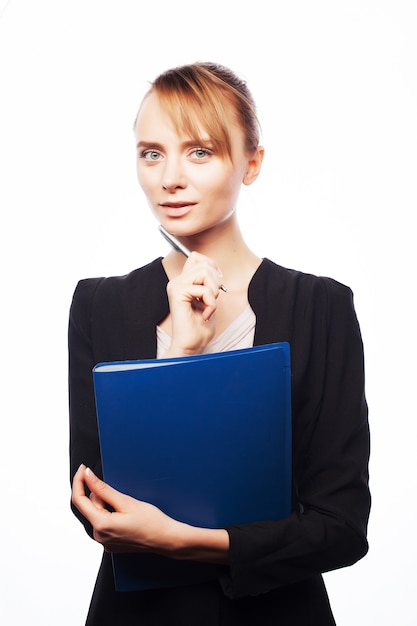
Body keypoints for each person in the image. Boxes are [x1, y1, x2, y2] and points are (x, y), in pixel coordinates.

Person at [69, 62, 371, 625]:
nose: (169, 178)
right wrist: (181, 355)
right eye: (151, 153)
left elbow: (341, 526)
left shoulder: (320, 308)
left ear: (252, 163)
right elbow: (94, 503)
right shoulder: (99, 306)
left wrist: (194, 541)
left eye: (200, 152)